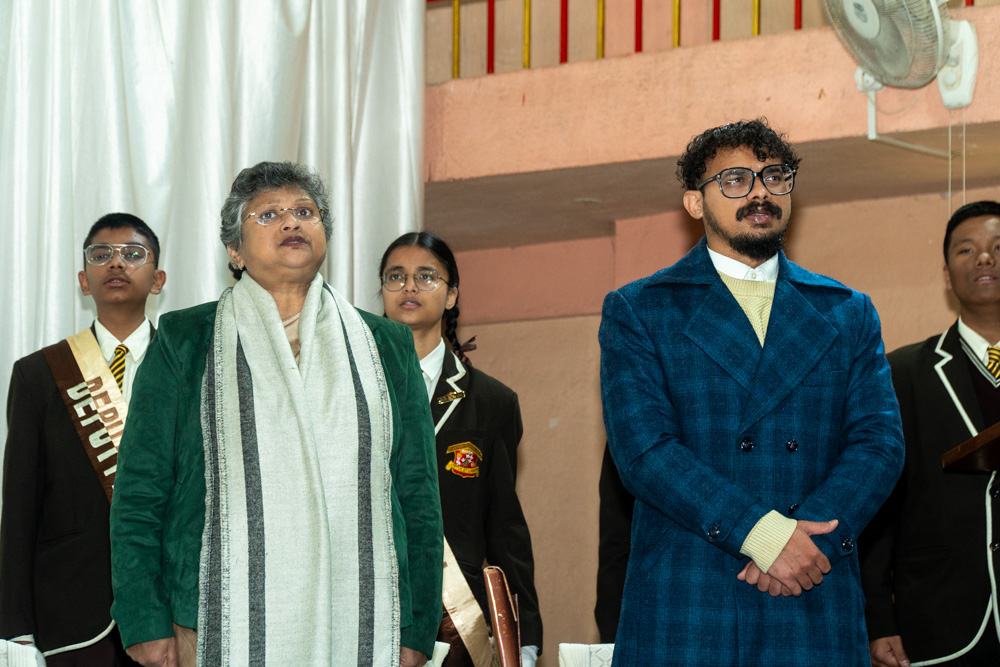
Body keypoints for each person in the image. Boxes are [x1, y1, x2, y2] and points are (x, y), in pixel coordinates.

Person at [109, 162, 443, 667]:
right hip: (207, 623)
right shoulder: (186, 338)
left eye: (304, 212)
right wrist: (144, 622)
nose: (291, 222)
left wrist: (416, 631)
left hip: (365, 622)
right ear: (235, 249)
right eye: (268, 214)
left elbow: (419, 500)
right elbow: (139, 492)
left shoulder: (386, 345)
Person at [598, 118, 904, 665]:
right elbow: (644, 451)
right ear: (695, 203)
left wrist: (808, 545)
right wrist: (761, 535)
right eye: (735, 179)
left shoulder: (847, 311)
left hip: (813, 586)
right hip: (691, 599)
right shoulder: (641, 309)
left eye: (775, 176)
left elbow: (879, 444)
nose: (760, 192)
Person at [0, 213, 166, 665]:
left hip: (168, 610)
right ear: (83, 280)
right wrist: (14, 628)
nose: (117, 263)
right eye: (101, 254)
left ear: (158, 280)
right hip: (69, 613)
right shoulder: (39, 374)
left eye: (133, 254)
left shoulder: (189, 365)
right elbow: (19, 507)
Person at [379, 232, 542, 667]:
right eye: (396, 276)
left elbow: (505, 525)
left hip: (453, 618)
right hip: (364, 604)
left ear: (451, 295)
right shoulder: (349, 388)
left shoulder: (490, 401)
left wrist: (522, 635)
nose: (409, 286)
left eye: (426, 276)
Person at [860, 201, 1000, 667]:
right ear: (946, 274)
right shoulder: (902, 373)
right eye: (967, 250)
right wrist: (878, 618)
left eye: (998, 247)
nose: (984, 258)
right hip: (942, 619)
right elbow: (878, 503)